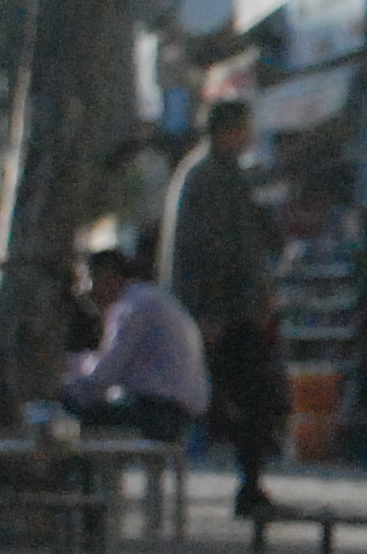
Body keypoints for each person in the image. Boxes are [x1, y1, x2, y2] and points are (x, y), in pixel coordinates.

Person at [162, 97, 282, 514]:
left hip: (235, 310)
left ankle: (251, 483)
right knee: (248, 397)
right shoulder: (207, 177)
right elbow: (208, 250)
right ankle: (246, 487)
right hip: (221, 313)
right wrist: (208, 312)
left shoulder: (226, 174)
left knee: (255, 399)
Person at [59, 246, 209, 443]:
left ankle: (82, 464)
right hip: (178, 411)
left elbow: (106, 375)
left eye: (91, 280)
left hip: (159, 412)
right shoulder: (150, 299)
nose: (88, 290)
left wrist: (64, 383)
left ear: (109, 276)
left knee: (66, 414)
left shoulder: (130, 308)